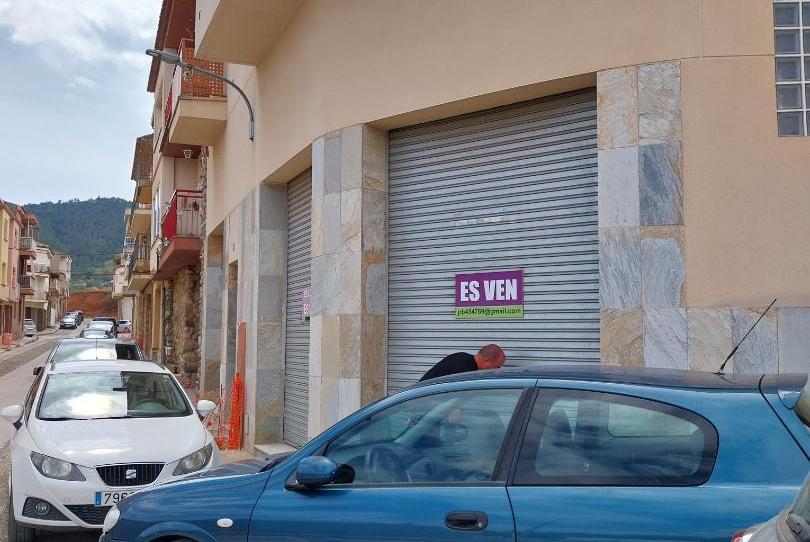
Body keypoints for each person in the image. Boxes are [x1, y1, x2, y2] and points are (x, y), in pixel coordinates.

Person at [419, 344, 506, 382]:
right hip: (423, 400)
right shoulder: (464, 370)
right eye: (496, 367)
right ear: (486, 361)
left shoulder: (463, 358)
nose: (495, 371)